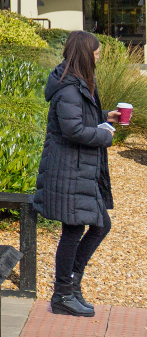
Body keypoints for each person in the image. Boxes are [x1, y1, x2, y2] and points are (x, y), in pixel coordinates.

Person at [34, 31, 120, 316]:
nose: (98, 57)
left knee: (97, 225)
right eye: (96, 53)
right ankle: (63, 294)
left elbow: (78, 118)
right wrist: (104, 134)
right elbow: (72, 130)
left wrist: (105, 116)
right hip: (68, 170)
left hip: (78, 169)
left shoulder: (75, 82)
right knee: (77, 230)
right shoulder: (70, 88)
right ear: (85, 54)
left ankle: (70, 287)